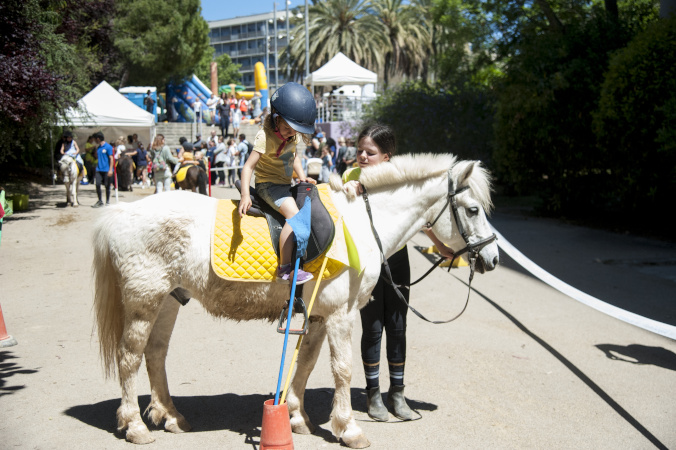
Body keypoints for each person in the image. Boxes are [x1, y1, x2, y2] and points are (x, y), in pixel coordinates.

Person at [340, 123, 455, 422]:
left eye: (371, 153)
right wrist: (351, 189)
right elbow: (342, 204)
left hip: (398, 260)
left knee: (398, 326)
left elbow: (421, 220)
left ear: (387, 156)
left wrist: (441, 246)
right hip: (366, 262)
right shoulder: (351, 177)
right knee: (373, 327)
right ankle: (373, 395)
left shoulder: (400, 183)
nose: (363, 157)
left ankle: (398, 394)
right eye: (360, 151)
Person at [238, 82, 317, 285]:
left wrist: (301, 176)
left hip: (285, 184)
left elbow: (295, 157)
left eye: (293, 131)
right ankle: (285, 269)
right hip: (269, 185)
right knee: (295, 216)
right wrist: (245, 195)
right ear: (276, 119)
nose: (289, 133)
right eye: (285, 129)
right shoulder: (264, 136)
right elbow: (247, 168)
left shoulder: (293, 136)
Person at [92, 131, 113, 208]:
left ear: (98, 139)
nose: (95, 141)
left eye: (95, 139)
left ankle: (107, 201)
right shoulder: (98, 148)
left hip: (106, 169)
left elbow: (111, 158)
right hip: (99, 169)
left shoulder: (108, 147)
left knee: (107, 186)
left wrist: (110, 170)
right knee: (97, 184)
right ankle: (100, 200)